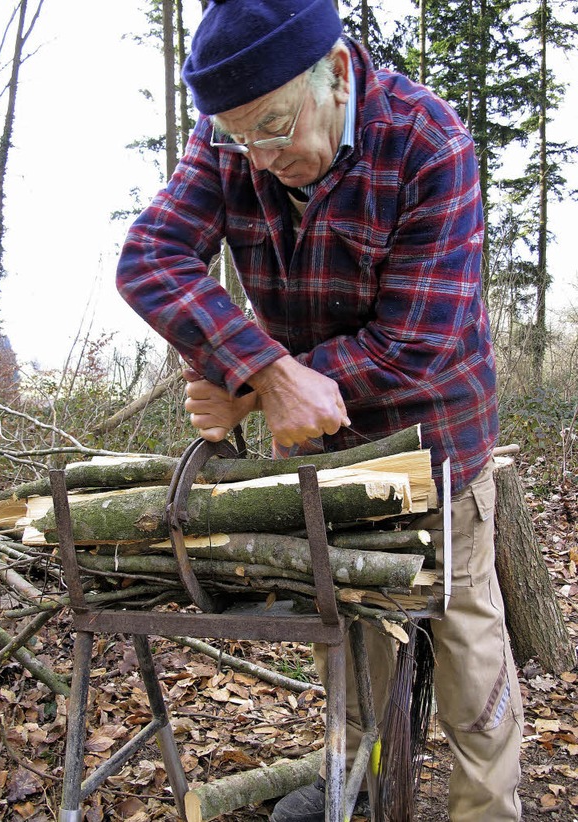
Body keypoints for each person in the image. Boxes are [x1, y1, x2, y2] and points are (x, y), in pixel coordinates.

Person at [116, 1, 524, 819]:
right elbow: (149, 258)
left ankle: (488, 805)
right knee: (358, 635)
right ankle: (368, 785)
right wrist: (261, 370)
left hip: (437, 438)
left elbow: (417, 343)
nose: (260, 158)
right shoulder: (232, 136)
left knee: (463, 648)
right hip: (331, 460)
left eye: (273, 126)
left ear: (335, 73)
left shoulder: (428, 142)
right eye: (239, 136)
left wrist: (260, 380)